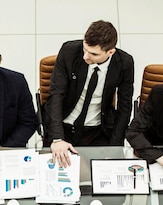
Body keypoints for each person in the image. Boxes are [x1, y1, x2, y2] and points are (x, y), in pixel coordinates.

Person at [43, 20, 134, 167]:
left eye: (93, 54)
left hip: (98, 129)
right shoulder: (69, 51)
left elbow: (125, 106)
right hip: (63, 125)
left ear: (110, 52)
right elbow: (56, 94)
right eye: (85, 49)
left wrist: (116, 148)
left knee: (106, 177)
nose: (85, 56)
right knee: (54, 176)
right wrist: (57, 138)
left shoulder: (124, 63)